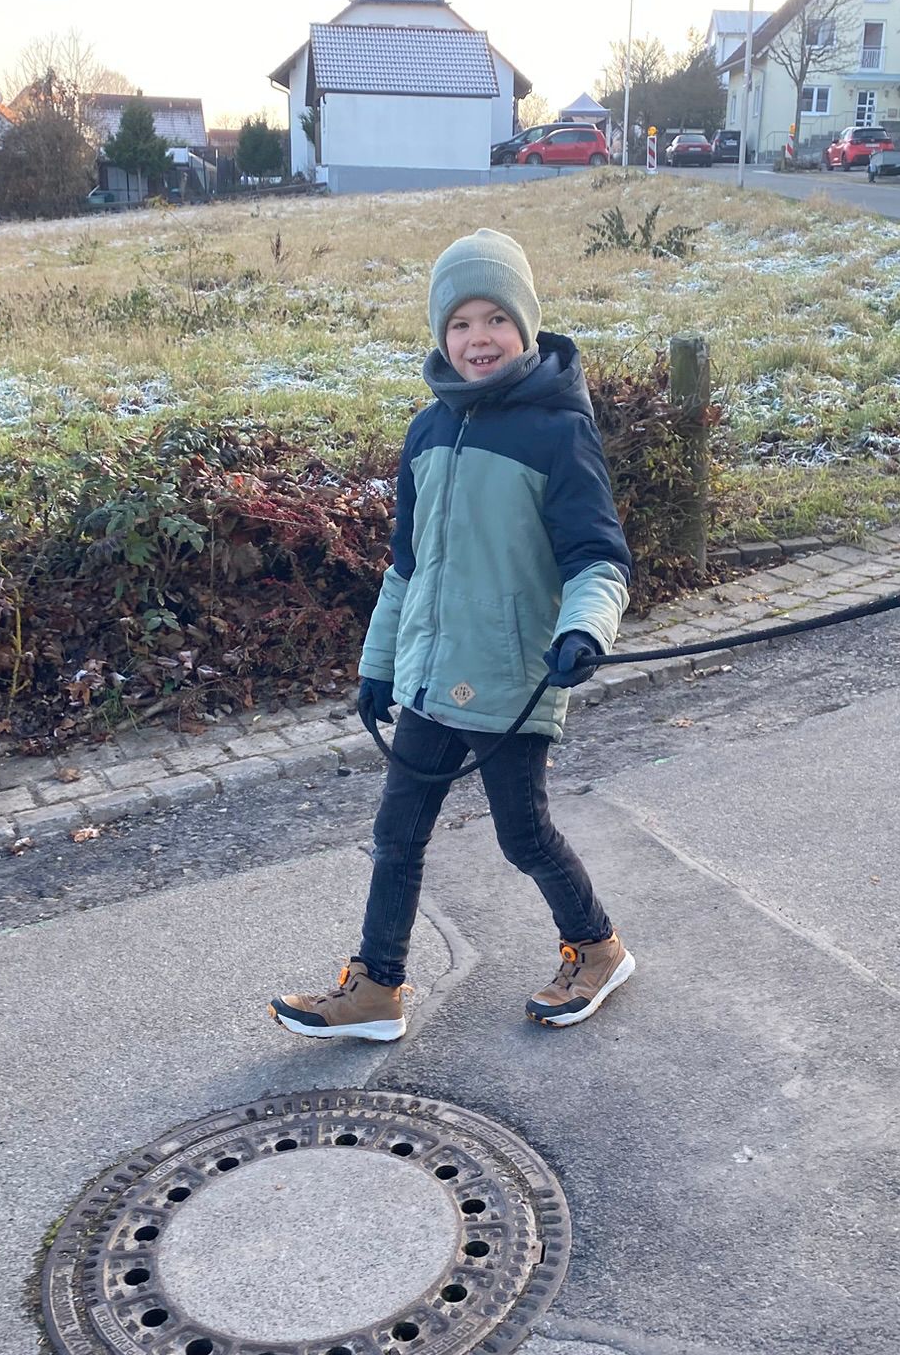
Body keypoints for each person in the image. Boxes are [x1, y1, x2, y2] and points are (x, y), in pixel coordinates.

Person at [270, 228, 636, 1043]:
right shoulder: (428, 431)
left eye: (495, 319)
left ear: (526, 326)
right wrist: (379, 666)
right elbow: (408, 568)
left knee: (524, 835)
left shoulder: (557, 432)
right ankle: (376, 988)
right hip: (431, 679)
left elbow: (598, 560)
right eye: (461, 322)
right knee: (396, 833)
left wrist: (584, 631)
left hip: (512, 679)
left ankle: (598, 947)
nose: (479, 338)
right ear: (441, 334)